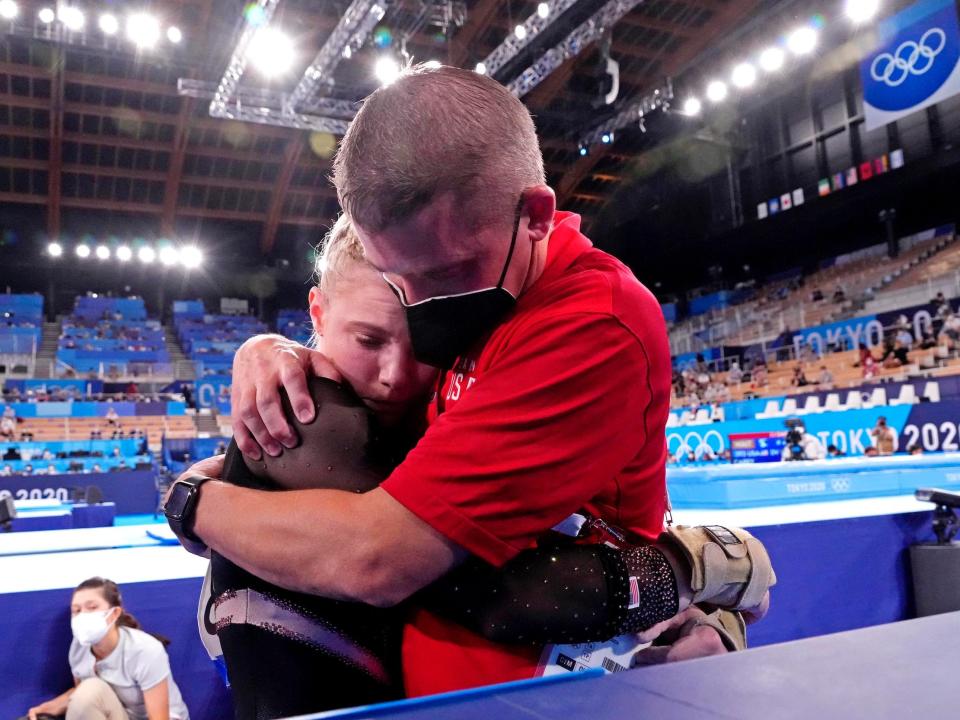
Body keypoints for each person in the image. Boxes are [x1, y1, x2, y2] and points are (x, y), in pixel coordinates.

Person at [167, 64, 771, 699]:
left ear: (536, 215)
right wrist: (266, 352)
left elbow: (387, 559)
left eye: (447, 270)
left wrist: (190, 502)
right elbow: (380, 482)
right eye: (396, 276)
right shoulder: (478, 293)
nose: (422, 311)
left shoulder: (588, 323)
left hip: (550, 695)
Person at [24, 577, 189, 720]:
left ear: (115, 612)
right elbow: (83, 695)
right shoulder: (78, 647)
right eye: (77, 610)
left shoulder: (145, 650)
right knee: (88, 690)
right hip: (120, 714)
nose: (83, 616)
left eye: (92, 607)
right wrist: (49, 707)